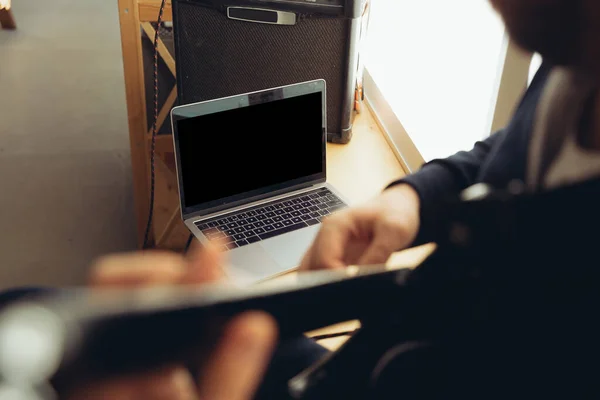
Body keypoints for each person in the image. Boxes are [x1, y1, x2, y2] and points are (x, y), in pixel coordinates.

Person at [3, 0, 600, 397]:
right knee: (32, 310)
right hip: (379, 352)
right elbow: (508, 150)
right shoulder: (574, 47)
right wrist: (412, 200)